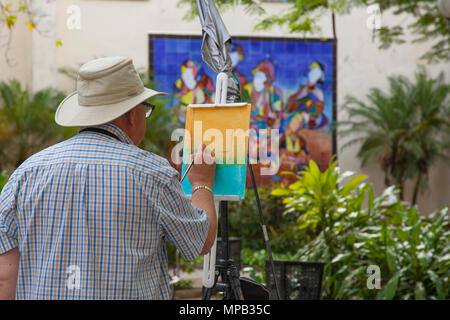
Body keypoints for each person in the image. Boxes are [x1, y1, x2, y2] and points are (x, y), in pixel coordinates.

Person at [0, 56, 217, 300]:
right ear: (133, 115)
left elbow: (5, 276)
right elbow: (201, 242)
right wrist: (201, 182)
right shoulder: (152, 173)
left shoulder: (25, 174)